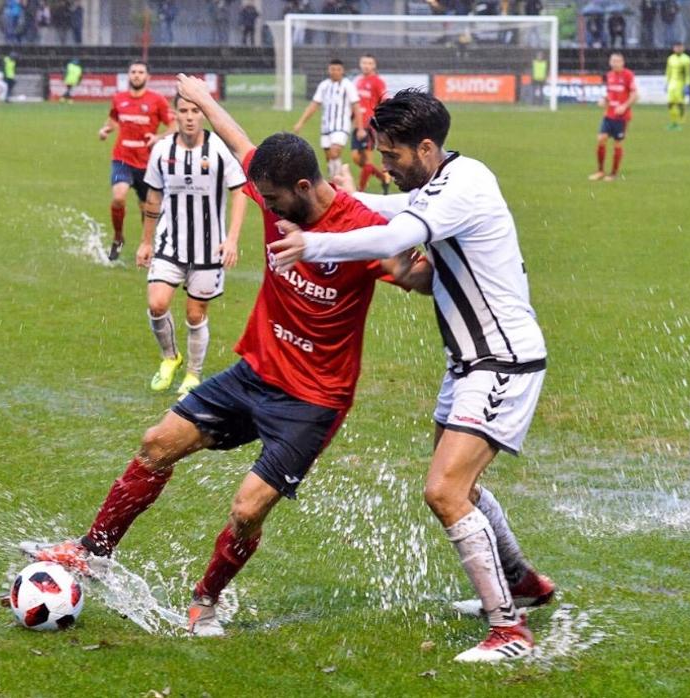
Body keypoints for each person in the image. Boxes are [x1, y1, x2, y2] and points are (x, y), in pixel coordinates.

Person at [28, 73, 424, 638]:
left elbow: (410, 272)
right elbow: (242, 142)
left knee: (245, 510)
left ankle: (206, 599)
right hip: (254, 372)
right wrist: (205, 98)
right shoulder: (276, 186)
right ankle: (94, 552)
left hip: (313, 400)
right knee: (156, 443)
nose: (265, 209)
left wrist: (449, 261)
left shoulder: (364, 230)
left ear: (306, 186)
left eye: (274, 200)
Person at [267, 88, 556, 663]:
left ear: (426, 148)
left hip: (502, 362)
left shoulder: (466, 183)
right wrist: (348, 199)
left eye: (392, 156)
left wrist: (316, 241)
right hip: (468, 363)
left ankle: (508, 633)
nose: (385, 164)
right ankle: (522, 584)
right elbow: (398, 216)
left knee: (444, 491)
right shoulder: (442, 183)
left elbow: (399, 233)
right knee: (461, 488)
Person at [136, 95, 249, 397]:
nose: (189, 117)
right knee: (157, 303)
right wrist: (146, 241)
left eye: (195, 111)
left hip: (209, 248)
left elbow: (240, 191)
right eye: (183, 111)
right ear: (175, 114)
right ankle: (170, 357)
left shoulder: (218, 149)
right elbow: (153, 197)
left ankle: (193, 375)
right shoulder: (162, 150)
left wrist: (232, 239)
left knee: (195, 315)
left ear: (203, 114)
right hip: (169, 243)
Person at [98, 62, 176, 261]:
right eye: (133, 72)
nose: (136, 75)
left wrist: (158, 138)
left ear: (148, 77)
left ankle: (146, 244)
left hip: (147, 163)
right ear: (128, 76)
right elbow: (114, 119)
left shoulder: (157, 100)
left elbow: (174, 125)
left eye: (141, 72)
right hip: (122, 158)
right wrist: (106, 129)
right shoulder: (118, 98)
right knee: (118, 197)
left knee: (147, 208)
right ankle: (118, 237)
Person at [293, 59, 364, 182]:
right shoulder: (324, 85)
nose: (335, 72)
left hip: (341, 126)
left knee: (334, 152)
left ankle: (336, 182)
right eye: (332, 69)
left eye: (338, 69)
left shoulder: (348, 85)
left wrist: (360, 128)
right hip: (326, 127)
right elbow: (314, 105)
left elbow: (356, 107)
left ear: (343, 71)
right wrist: (301, 122)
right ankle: (336, 180)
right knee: (329, 158)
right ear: (329, 70)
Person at [590, 52, 637, 181]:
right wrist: (604, 100)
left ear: (623, 62)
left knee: (617, 144)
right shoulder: (609, 75)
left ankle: (614, 174)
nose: (615, 63)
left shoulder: (628, 75)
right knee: (601, 139)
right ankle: (600, 171)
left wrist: (624, 106)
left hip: (622, 117)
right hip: (609, 115)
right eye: (613, 61)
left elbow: (634, 95)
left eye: (617, 61)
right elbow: (610, 94)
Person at [353, 54, 393, 194]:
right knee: (356, 158)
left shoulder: (377, 82)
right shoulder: (357, 81)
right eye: (364, 62)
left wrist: (383, 120)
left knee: (368, 161)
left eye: (369, 63)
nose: (366, 65)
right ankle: (383, 177)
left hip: (370, 126)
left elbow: (384, 100)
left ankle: (360, 191)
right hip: (358, 125)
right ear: (360, 64)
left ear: (374, 65)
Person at [665, 41, 690, 130]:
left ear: (683, 48)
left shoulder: (687, 59)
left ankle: (680, 123)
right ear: (673, 48)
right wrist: (666, 83)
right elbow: (668, 72)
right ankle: (673, 122)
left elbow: (688, 74)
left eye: (679, 47)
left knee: (680, 103)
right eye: (676, 47)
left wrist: (687, 85)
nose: (678, 48)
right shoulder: (670, 58)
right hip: (672, 84)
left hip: (680, 84)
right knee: (670, 103)